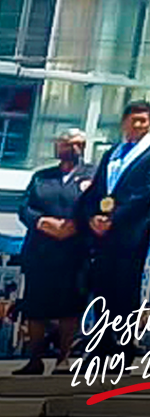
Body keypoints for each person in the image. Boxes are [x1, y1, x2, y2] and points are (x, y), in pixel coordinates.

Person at [76, 99, 150, 325]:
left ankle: (123, 345)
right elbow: (98, 187)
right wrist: (92, 217)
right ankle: (101, 341)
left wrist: (114, 218)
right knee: (101, 286)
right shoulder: (112, 153)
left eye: (143, 121)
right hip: (102, 231)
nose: (138, 125)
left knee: (125, 288)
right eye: (134, 120)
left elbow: (146, 191)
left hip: (130, 230)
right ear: (124, 122)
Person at [14, 127, 93, 374]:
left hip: (74, 253)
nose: (72, 148)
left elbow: (99, 206)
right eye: (67, 143)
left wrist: (75, 225)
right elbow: (25, 207)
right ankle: (34, 359)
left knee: (69, 307)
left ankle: (64, 358)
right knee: (35, 306)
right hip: (40, 251)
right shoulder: (41, 176)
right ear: (58, 146)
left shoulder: (93, 176)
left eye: (78, 143)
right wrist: (41, 222)